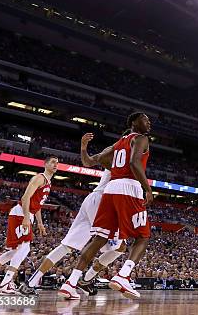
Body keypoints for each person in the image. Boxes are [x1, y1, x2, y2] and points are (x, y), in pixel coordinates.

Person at [58, 113, 152, 300]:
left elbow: (89, 162)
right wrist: (147, 188)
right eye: (145, 119)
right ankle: (124, 275)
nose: (149, 123)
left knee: (99, 239)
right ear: (133, 122)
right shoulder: (141, 138)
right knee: (143, 236)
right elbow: (134, 162)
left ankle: (71, 283)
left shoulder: (117, 145)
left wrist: (84, 148)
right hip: (129, 188)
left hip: (110, 190)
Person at [19, 133, 126, 296]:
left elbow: (88, 161)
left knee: (66, 247)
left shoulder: (113, 152)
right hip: (103, 202)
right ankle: (83, 280)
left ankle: (30, 283)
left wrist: (83, 148)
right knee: (120, 245)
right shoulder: (122, 155)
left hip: (91, 200)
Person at [0, 156, 58, 295]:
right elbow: (25, 198)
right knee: (24, 249)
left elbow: (37, 205)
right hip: (21, 213)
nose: (56, 164)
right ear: (45, 164)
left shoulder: (48, 182)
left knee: (16, 251)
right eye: (53, 162)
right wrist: (26, 217)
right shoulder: (39, 178)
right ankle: (5, 283)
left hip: (26, 214)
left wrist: (40, 224)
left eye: (57, 163)